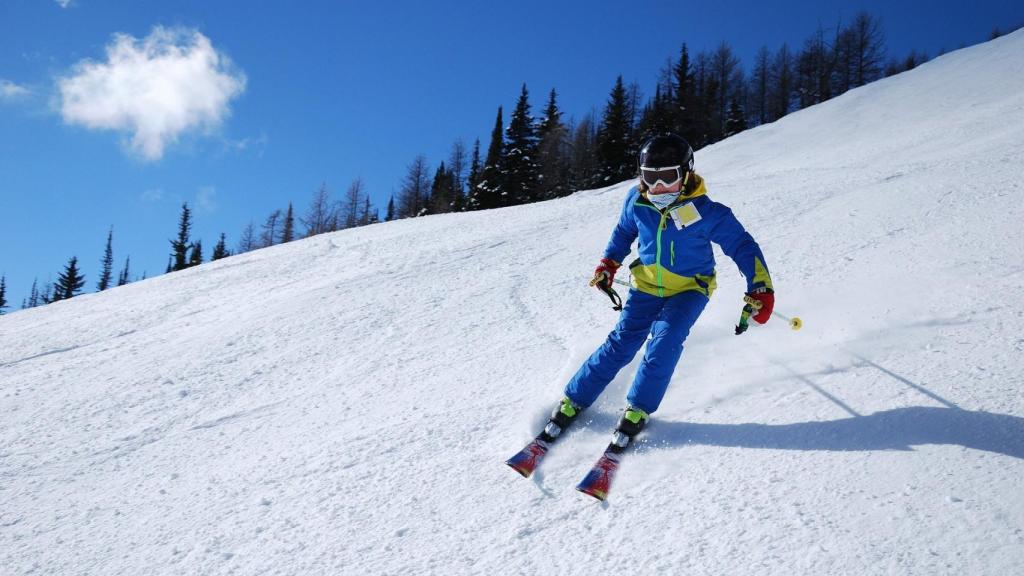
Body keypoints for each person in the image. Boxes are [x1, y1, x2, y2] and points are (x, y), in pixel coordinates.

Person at [542, 133, 775, 454]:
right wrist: (609, 263)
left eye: (669, 177)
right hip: (646, 285)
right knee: (621, 343)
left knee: (664, 342)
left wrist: (760, 287)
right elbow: (624, 231)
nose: (659, 187)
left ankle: (637, 408)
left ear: (687, 173)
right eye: (651, 178)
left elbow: (742, 246)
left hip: (691, 288)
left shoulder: (708, 212)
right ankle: (573, 400)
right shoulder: (636, 201)